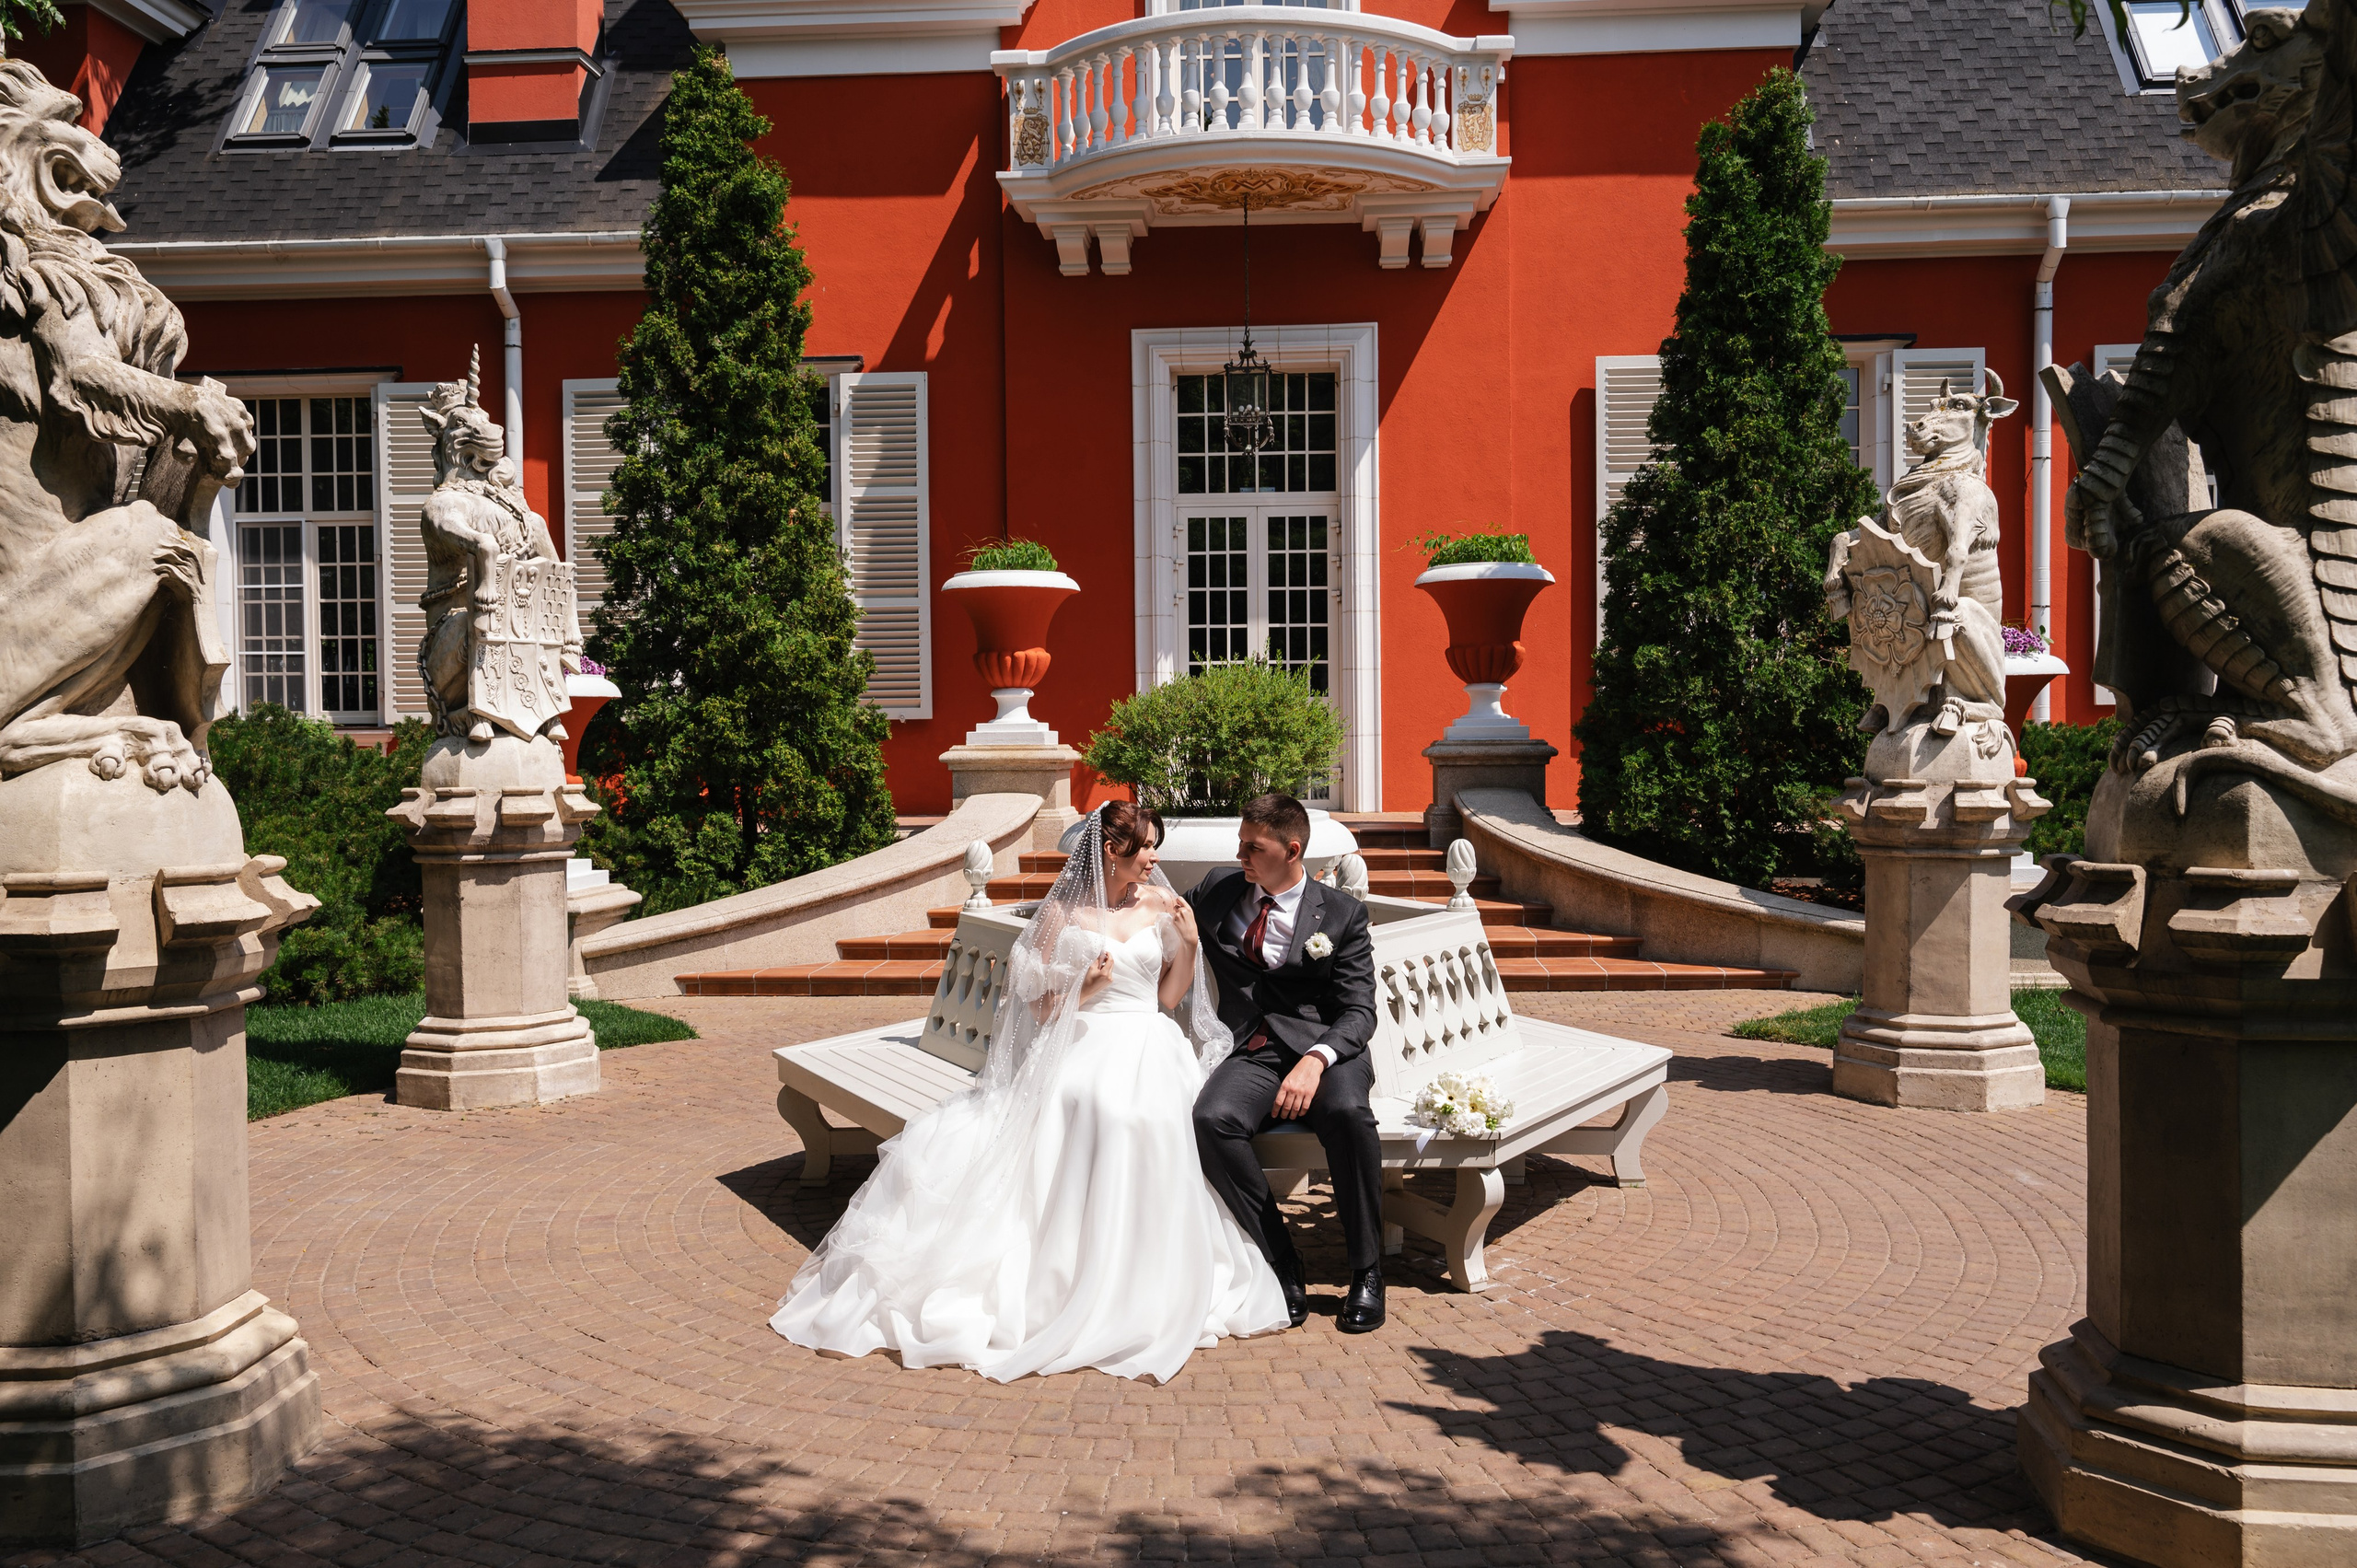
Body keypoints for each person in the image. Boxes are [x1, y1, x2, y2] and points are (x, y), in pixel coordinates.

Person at [770, 802, 1287, 1383]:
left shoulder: (1163, 906)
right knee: (1084, 1101)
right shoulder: (1061, 914)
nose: (1153, 858)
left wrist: (1188, 944)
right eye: (1144, 847)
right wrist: (1082, 989)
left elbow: (1169, 999)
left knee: (1136, 1112)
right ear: (1111, 851)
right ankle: (1067, 1270)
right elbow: (1038, 1009)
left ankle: (1144, 1268)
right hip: (1081, 1039)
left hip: (1149, 1042)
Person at [1187, 794, 1384, 1333]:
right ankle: (1280, 1261)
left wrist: (1317, 1061)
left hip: (1326, 1051)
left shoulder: (1341, 914)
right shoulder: (1218, 890)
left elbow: (1360, 1011)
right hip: (1253, 1048)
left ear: (1292, 850)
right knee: (1211, 1119)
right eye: (1241, 844)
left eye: (1255, 847)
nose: (1242, 855)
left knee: (1348, 1115)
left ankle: (1366, 1270)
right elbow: (1159, 914)